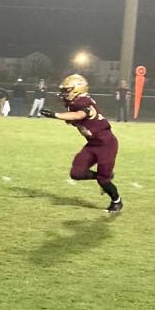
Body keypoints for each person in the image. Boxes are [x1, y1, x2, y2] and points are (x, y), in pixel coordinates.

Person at [40, 74, 123, 214]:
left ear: (77, 89)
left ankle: (116, 201)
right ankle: (104, 176)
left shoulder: (83, 102)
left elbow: (79, 115)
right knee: (76, 173)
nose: (64, 93)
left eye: (67, 90)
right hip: (92, 144)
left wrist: (55, 115)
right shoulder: (72, 104)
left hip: (106, 144)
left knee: (104, 181)